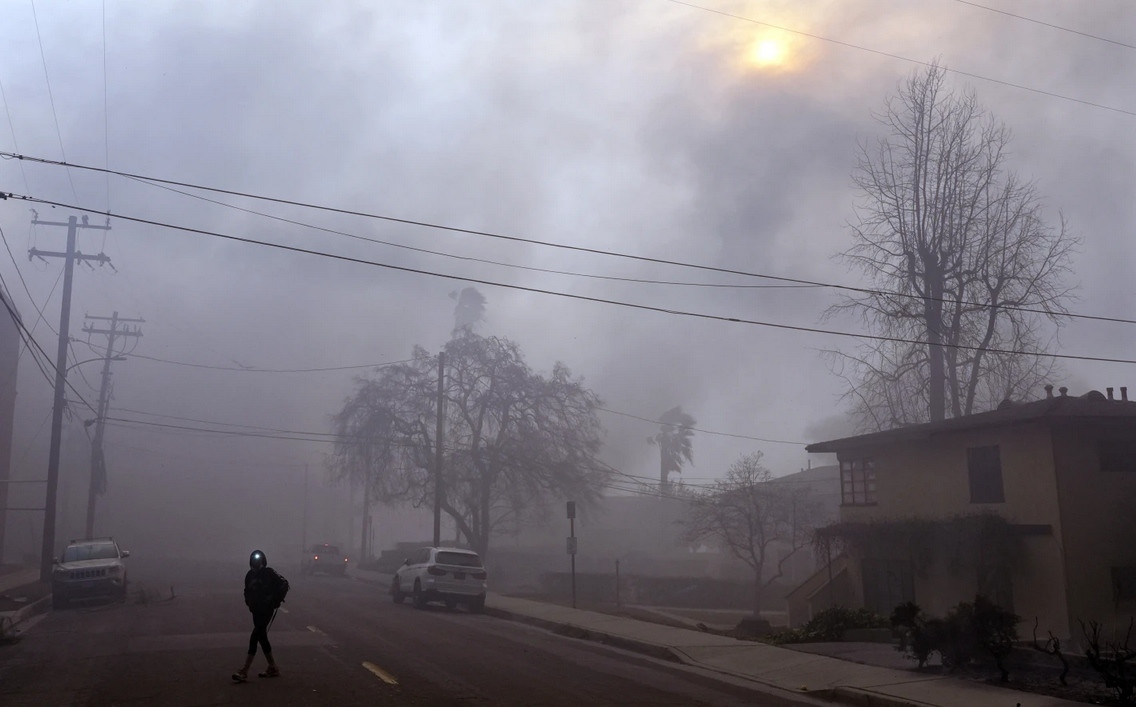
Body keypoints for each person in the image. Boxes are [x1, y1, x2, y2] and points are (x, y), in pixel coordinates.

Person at [232, 549, 289, 682]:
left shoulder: (269, 573)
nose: (256, 562)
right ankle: (272, 667)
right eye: (254, 559)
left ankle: (245, 670)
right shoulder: (249, 576)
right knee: (262, 638)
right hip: (256, 611)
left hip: (266, 609)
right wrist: (249, 603)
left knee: (255, 636)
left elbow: (284, 584)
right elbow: (246, 591)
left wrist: (275, 599)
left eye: (258, 559)